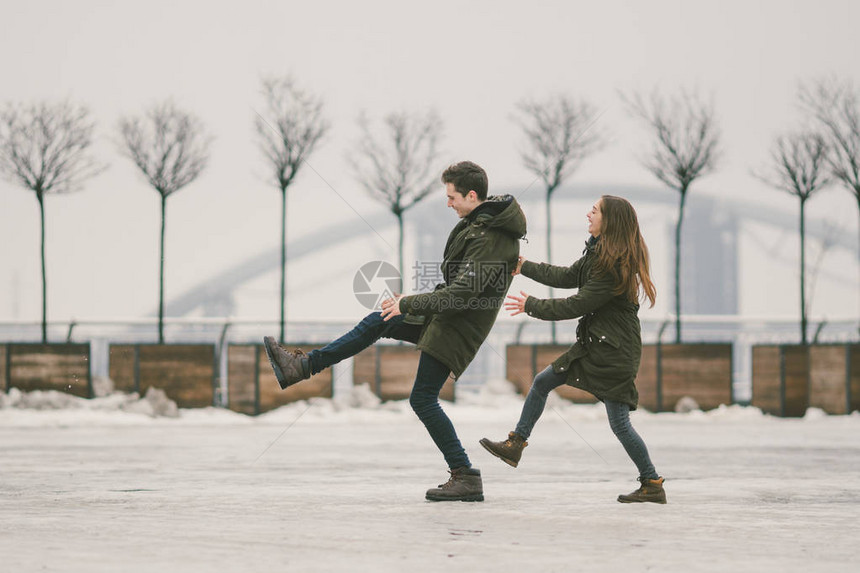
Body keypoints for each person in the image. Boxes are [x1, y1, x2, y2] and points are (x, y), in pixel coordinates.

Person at [263, 161, 527, 502]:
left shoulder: (490, 237)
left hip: (457, 326)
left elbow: (463, 294)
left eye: (451, 197)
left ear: (471, 195)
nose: (448, 203)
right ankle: (302, 367)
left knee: (422, 399)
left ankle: (465, 475)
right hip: (444, 317)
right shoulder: (478, 225)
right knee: (379, 320)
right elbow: (457, 285)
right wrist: (409, 303)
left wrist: (412, 304)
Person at [479, 195, 666, 504]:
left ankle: (652, 483)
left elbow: (578, 303)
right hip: (598, 345)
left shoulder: (613, 265)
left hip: (612, 353)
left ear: (610, 221)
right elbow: (567, 276)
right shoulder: (599, 254)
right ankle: (516, 444)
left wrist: (531, 305)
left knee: (619, 424)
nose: (588, 214)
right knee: (542, 382)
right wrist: (525, 266)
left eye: (595, 211)